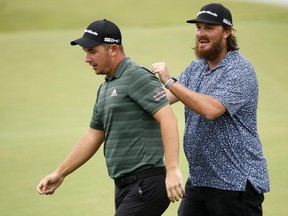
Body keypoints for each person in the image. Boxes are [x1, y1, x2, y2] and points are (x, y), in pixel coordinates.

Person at [37, 19, 184, 216]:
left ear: (113, 49)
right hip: (124, 187)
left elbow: (168, 119)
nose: (87, 59)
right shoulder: (106, 88)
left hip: (146, 184)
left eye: (92, 51)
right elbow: (92, 135)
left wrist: (173, 169)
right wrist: (60, 173)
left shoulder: (136, 76)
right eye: (85, 53)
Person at [151, 3, 270, 216]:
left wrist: (169, 81)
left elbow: (211, 109)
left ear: (226, 32)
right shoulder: (197, 67)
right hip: (200, 181)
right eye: (198, 27)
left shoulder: (240, 70)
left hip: (235, 183)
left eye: (208, 28)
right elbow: (163, 99)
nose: (201, 34)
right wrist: (130, 93)